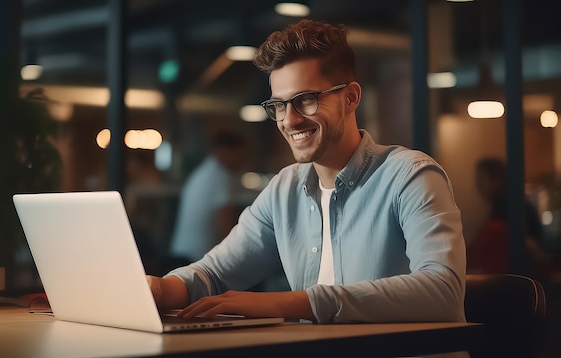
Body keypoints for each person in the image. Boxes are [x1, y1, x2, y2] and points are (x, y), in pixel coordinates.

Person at [148, 19, 466, 327]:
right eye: (280, 105)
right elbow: (214, 274)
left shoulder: (409, 176)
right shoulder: (284, 189)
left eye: (306, 100)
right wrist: (159, 289)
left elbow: (442, 291)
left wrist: (288, 302)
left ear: (351, 97)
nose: (290, 120)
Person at [169, 130, 248, 263]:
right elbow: (227, 228)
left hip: (183, 254)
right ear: (225, 151)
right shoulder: (219, 175)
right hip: (196, 259)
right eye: (239, 153)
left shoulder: (206, 170)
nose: (242, 159)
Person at [467, 157, 552, 276]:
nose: (478, 185)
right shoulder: (501, 206)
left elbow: (531, 244)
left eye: (481, 179)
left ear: (496, 180)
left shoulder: (513, 207)